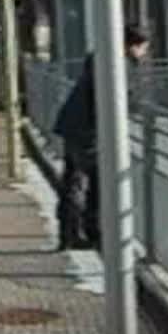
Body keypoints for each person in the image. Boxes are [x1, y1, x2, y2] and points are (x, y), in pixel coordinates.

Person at [52, 25, 150, 251]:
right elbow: (115, 101)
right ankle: (94, 234)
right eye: (143, 48)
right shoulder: (117, 64)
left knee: (73, 181)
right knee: (97, 182)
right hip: (89, 131)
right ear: (132, 45)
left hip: (74, 125)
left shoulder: (102, 57)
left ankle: (69, 234)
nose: (144, 54)